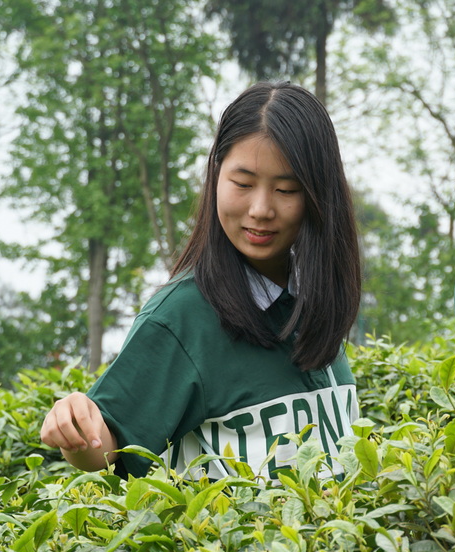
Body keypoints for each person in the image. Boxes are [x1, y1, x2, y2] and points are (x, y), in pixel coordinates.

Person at [40, 82, 362, 480]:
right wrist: (76, 427)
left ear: (319, 195)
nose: (261, 209)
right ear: (215, 175)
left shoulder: (315, 300)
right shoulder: (181, 316)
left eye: (286, 189)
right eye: (242, 184)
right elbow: (110, 447)